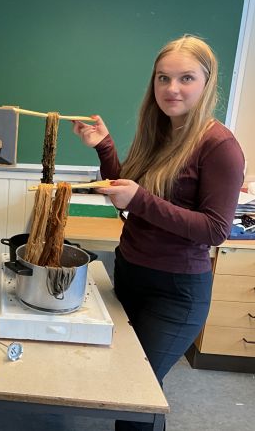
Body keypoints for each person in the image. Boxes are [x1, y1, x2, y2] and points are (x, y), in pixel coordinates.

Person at [72, 35, 244, 431]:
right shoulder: (159, 130)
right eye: (163, 78)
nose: (171, 89)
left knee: (136, 392)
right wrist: (105, 148)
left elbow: (214, 230)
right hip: (131, 274)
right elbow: (129, 191)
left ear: (207, 82)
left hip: (176, 293)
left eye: (186, 78)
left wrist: (140, 200)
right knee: (131, 386)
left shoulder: (220, 146)